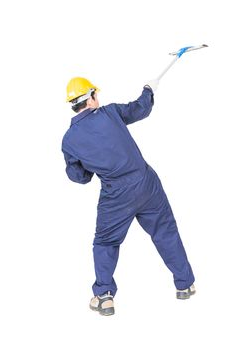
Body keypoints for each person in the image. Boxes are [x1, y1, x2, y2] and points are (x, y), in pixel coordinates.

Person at [62, 77, 195, 316]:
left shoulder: (69, 140)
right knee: (165, 232)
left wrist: (93, 160)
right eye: (96, 95)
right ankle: (185, 285)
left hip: (115, 196)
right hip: (146, 184)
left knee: (105, 242)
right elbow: (140, 108)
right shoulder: (110, 113)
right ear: (91, 97)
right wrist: (148, 90)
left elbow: (80, 177)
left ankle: (104, 296)